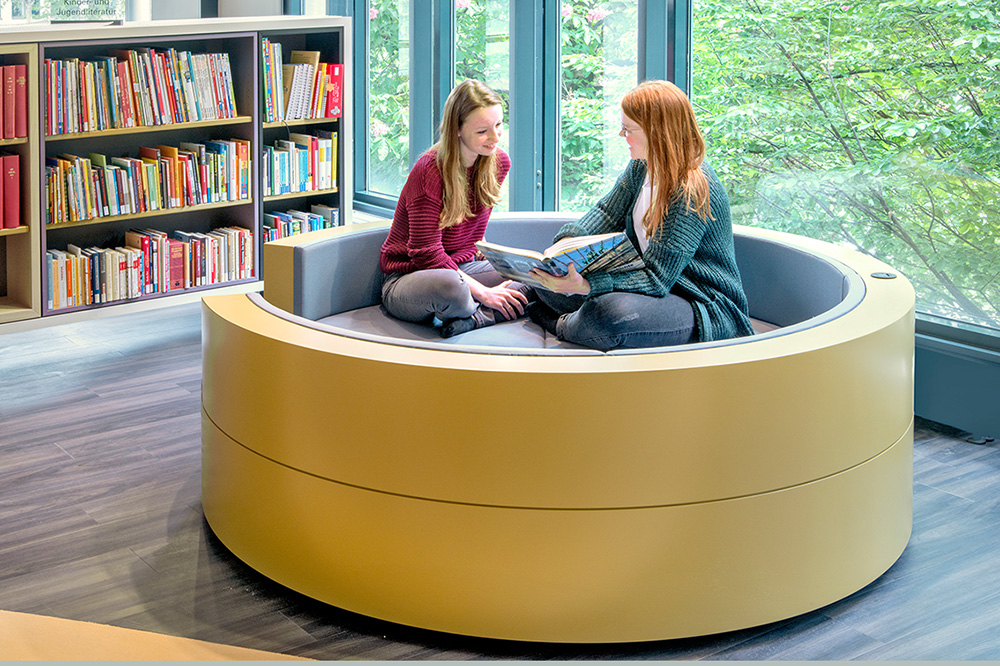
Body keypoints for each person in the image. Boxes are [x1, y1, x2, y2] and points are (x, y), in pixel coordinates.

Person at [526, 79, 755, 351]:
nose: (622, 136)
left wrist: (587, 285)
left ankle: (560, 324)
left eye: (628, 129)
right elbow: (605, 213)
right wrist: (561, 249)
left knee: (609, 313)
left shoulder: (690, 188)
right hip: (652, 290)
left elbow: (657, 279)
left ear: (658, 132)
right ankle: (573, 319)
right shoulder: (641, 166)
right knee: (544, 284)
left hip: (698, 303)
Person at [379, 79, 529, 338]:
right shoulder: (428, 171)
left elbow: (473, 235)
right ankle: (481, 308)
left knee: (537, 274)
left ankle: (476, 318)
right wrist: (484, 292)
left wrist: (494, 259)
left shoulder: (498, 163)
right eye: (482, 131)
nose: (494, 138)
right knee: (453, 289)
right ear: (457, 129)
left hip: (463, 269)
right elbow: (425, 255)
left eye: (498, 125)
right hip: (413, 278)